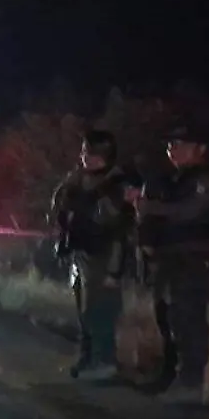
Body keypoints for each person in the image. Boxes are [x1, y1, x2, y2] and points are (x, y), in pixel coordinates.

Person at [128, 124, 209, 402]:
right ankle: (172, 376)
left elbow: (192, 212)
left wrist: (151, 208)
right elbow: (151, 220)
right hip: (169, 259)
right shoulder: (171, 180)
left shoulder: (206, 180)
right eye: (171, 145)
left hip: (192, 259)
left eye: (181, 144)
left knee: (188, 321)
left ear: (200, 149)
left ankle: (191, 383)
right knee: (168, 318)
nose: (173, 149)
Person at [49, 130, 134, 380]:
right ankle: (88, 358)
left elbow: (114, 224)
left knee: (100, 311)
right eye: (86, 152)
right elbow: (58, 206)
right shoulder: (78, 179)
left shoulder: (116, 184)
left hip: (104, 254)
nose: (89, 158)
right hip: (81, 253)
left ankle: (105, 361)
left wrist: (114, 270)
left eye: (95, 154)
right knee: (85, 312)